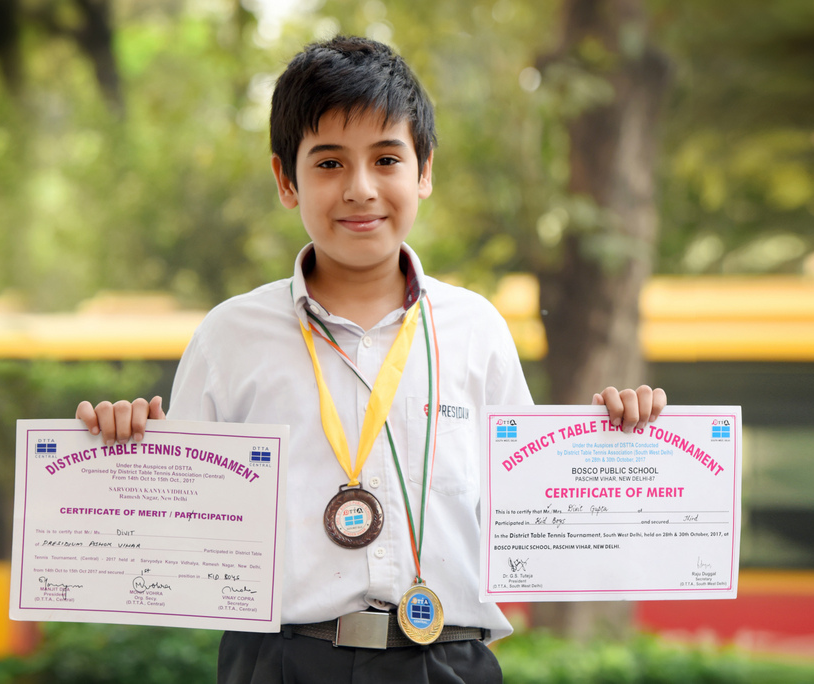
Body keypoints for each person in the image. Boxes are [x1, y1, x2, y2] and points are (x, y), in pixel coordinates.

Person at [76, 36, 666, 684]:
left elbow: (528, 515)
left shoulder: (477, 331)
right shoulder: (230, 337)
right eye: (328, 163)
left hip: (449, 660)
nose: (360, 189)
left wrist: (615, 448)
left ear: (424, 171)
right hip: (280, 662)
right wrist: (123, 448)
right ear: (285, 179)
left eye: (386, 158)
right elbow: (177, 530)